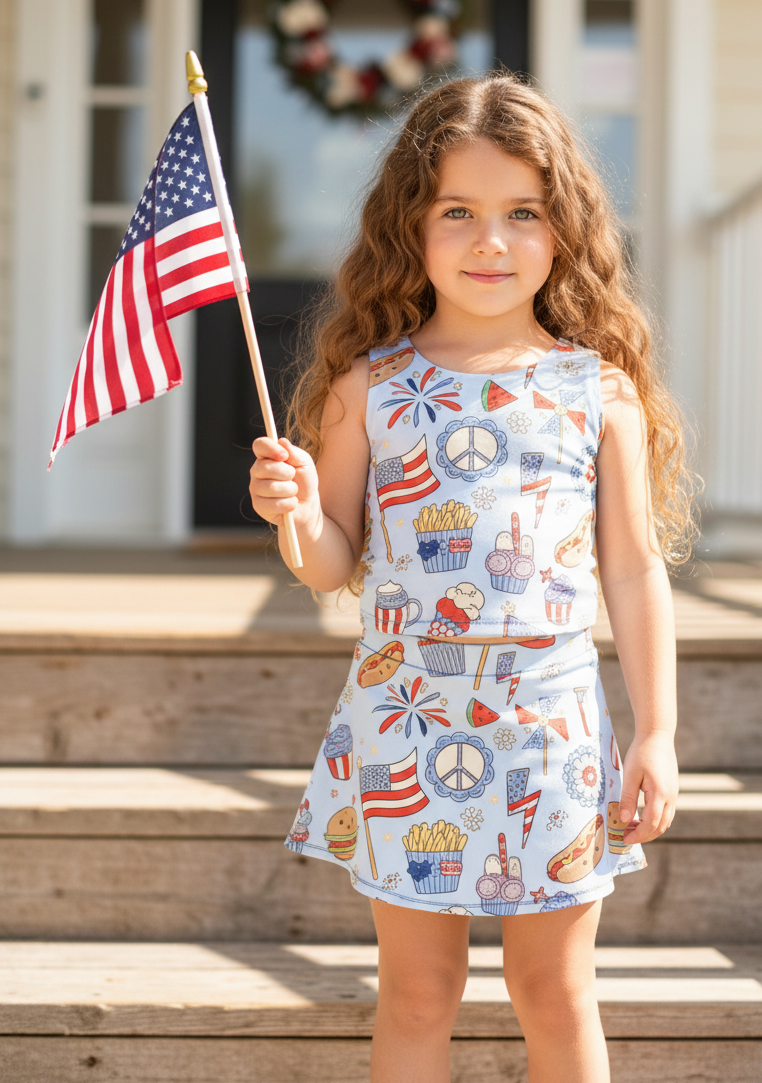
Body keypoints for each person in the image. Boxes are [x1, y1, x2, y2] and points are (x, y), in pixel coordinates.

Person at [249, 74, 698, 1083]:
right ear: (411, 228)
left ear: (562, 232)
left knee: (554, 990)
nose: (489, 241)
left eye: (521, 214)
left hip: (550, 726)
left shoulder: (597, 391)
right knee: (417, 994)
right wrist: (294, 515)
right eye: (458, 212)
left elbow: (631, 570)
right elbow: (333, 559)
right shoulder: (373, 387)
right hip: (409, 722)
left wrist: (658, 732)